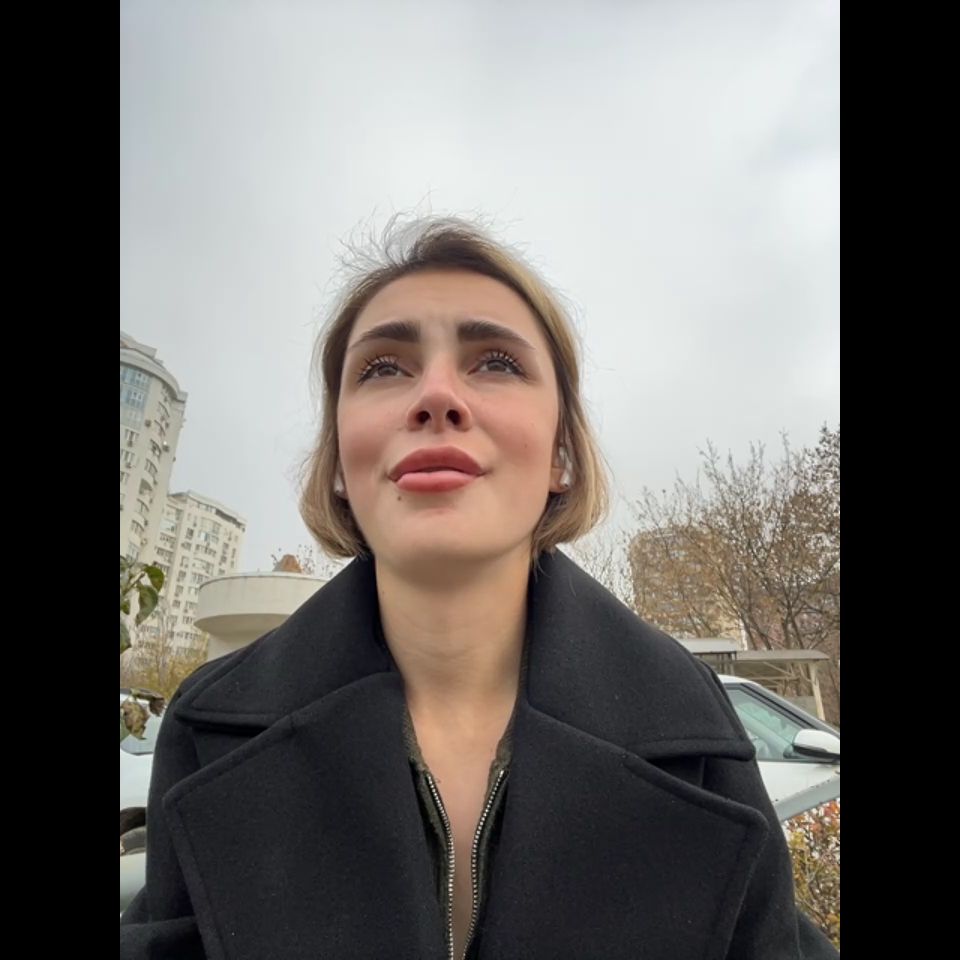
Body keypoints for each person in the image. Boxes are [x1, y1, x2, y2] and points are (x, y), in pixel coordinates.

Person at [120, 216, 839, 959]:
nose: (436, 395)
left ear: (561, 453)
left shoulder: (696, 730)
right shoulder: (209, 730)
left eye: (495, 362)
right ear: (337, 459)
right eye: (383, 369)